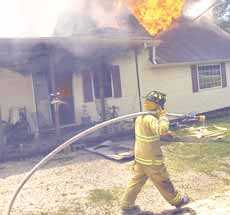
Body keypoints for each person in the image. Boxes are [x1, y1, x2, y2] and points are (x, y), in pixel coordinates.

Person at [121, 90, 189, 215]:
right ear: (158, 105)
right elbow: (161, 130)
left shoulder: (140, 117)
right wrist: (163, 116)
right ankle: (177, 201)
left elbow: (151, 132)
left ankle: (126, 205)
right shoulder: (150, 118)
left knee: (136, 181)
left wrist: (166, 132)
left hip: (140, 157)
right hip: (152, 159)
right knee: (163, 180)